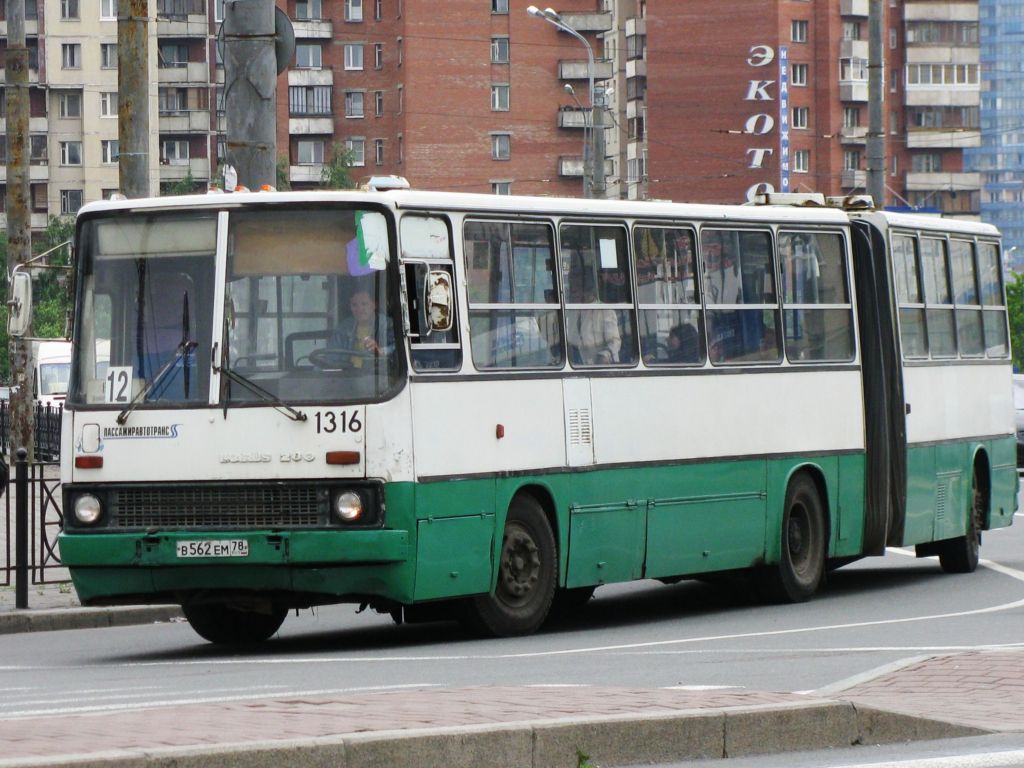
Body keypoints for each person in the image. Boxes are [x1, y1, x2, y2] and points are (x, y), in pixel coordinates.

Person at [332, 288, 394, 367]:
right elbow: (332, 358)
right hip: (346, 375)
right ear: (350, 307)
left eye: (364, 304)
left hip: (376, 375)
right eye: (354, 305)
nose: (359, 309)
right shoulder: (343, 328)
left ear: (373, 305)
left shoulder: (387, 324)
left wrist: (380, 351)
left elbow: (398, 349)